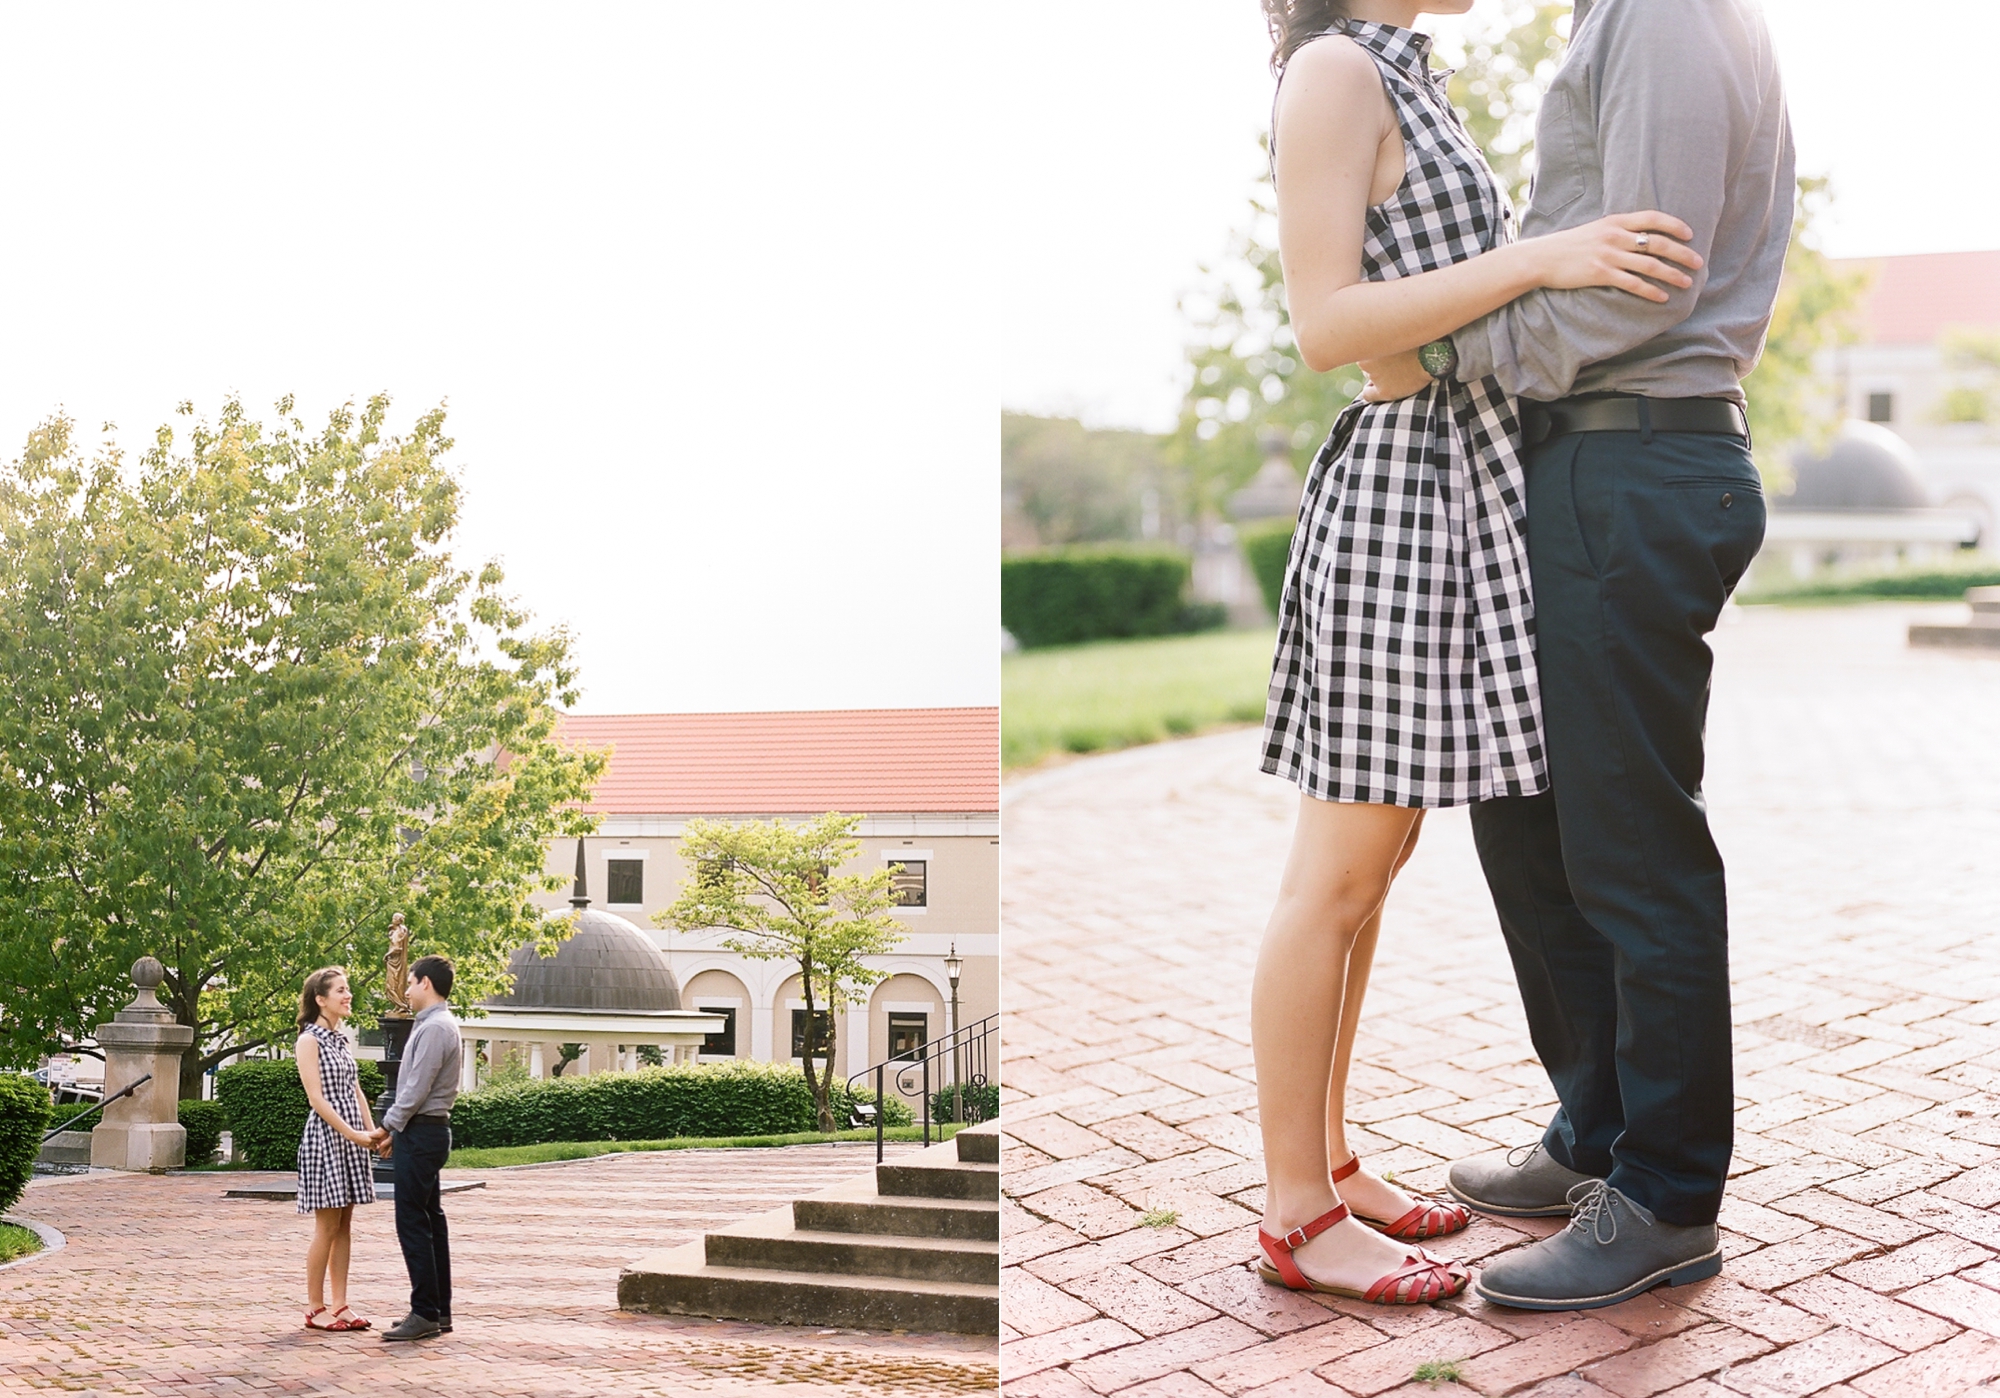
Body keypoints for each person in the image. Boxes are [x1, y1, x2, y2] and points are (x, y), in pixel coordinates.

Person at [1249, 0, 1705, 1305]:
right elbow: (1329, 322)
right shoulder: (1334, 71)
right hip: (1400, 493)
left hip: (1455, 487)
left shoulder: (1396, 71)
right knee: (1331, 874)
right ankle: (1292, 1210)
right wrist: (1543, 258)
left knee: (1375, 866)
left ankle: (1328, 1160)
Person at [1364, 0, 1793, 1312]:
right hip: (1586, 461)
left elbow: (1641, 271)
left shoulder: (1662, 10)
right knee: (1527, 815)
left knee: (1626, 841)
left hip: (1635, 456)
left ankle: (1665, 1194)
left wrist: (1445, 341)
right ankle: (1595, 1129)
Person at [370, 953, 463, 1341]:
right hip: (424, 1132)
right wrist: (396, 1131)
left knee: (412, 1222)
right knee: (430, 1221)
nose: (405, 991)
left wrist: (386, 1127)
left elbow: (415, 1089)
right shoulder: (435, 1025)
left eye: (409, 983)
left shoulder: (436, 1028)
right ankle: (437, 1310)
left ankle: (425, 1311)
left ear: (426, 983)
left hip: (423, 1133)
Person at [293, 966, 380, 1333]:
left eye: (348, 990)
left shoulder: (341, 1039)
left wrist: (372, 1131)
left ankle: (341, 1303)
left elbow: (355, 1091)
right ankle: (315, 1307)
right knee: (326, 1226)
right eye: (341, 991)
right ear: (320, 999)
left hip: (351, 1138)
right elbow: (317, 1099)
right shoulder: (308, 1041)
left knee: (345, 1223)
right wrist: (352, 1134)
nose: (348, 996)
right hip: (327, 1139)